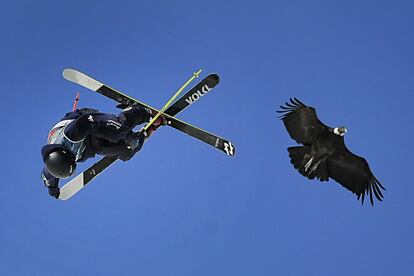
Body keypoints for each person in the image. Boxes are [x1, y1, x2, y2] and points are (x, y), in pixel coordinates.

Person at [40, 105, 167, 199]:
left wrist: (126, 134)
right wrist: (53, 190)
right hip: (87, 145)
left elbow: (92, 120)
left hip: (88, 121)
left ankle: (141, 112)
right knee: (127, 151)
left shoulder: (71, 134)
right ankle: (151, 129)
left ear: (67, 156)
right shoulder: (52, 167)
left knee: (117, 132)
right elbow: (48, 178)